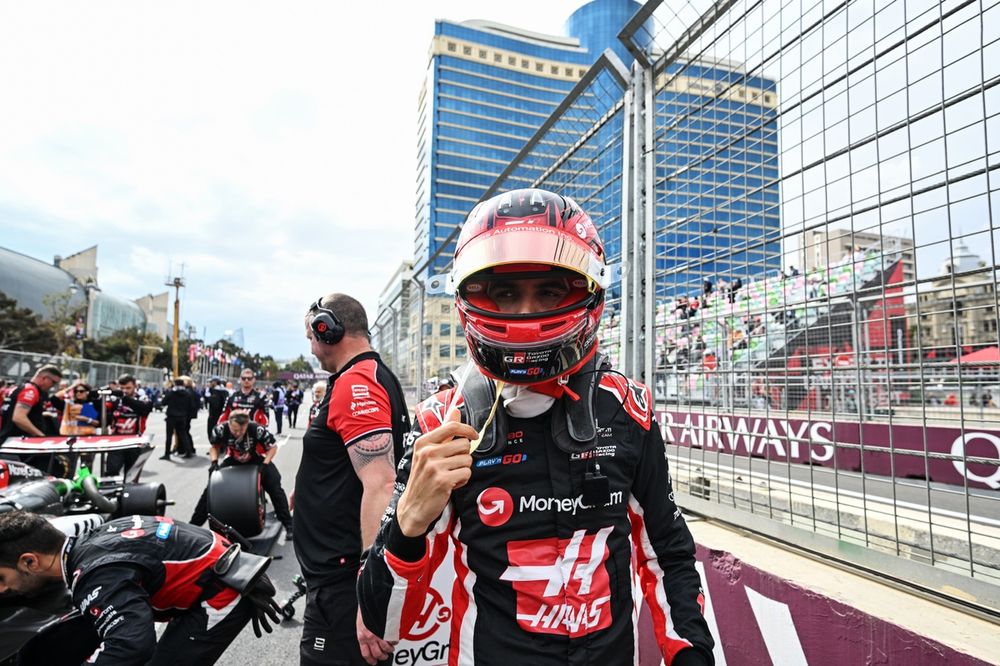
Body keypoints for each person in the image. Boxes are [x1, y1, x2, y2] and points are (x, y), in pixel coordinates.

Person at [358, 189, 714, 665]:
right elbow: (384, 622)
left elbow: (666, 551)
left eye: (548, 291)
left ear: (589, 293)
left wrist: (692, 654)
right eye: (505, 294)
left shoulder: (629, 410)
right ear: (472, 298)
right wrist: (408, 520)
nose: (526, 314)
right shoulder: (439, 424)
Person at [0, 510, 281, 665]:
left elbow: (132, 645)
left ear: (29, 561)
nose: (2, 589)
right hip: (221, 569)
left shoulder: (94, 574)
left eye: (1, 578)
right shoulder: (90, 542)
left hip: (224, 592)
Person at [296, 293, 411, 666]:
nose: (312, 348)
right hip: (339, 578)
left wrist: (369, 589)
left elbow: (380, 483)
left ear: (327, 330)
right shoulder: (364, 376)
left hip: (344, 584)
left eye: (312, 337)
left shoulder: (356, 382)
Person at [190, 411, 293, 535]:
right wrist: (214, 461)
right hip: (233, 459)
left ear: (247, 425)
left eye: (241, 430)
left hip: (255, 459)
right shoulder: (221, 429)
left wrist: (265, 464)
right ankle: (193, 526)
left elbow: (273, 447)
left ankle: (289, 524)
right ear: (229, 423)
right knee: (211, 489)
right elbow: (214, 446)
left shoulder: (256, 429)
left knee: (274, 485)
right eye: (234, 430)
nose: (238, 433)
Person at [105, 374, 154, 476]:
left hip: (135, 441)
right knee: (111, 471)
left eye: (128, 388)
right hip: (116, 441)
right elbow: (102, 410)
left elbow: (144, 409)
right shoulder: (115, 399)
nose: (125, 391)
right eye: (122, 388)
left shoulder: (142, 398)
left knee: (131, 476)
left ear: (135, 386)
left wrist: (124, 398)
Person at [0, 365, 63, 445]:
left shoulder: (20, 387)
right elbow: (18, 417)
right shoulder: (31, 391)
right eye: (53, 382)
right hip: (19, 442)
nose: (53, 386)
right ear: (44, 378)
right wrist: (40, 436)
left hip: (10, 439)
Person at [160, 379, 193, 460]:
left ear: (175, 384)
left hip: (171, 417)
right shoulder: (187, 394)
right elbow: (191, 406)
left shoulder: (171, 393)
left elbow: (163, 403)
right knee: (183, 434)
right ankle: (188, 452)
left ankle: (167, 454)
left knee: (169, 436)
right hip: (182, 417)